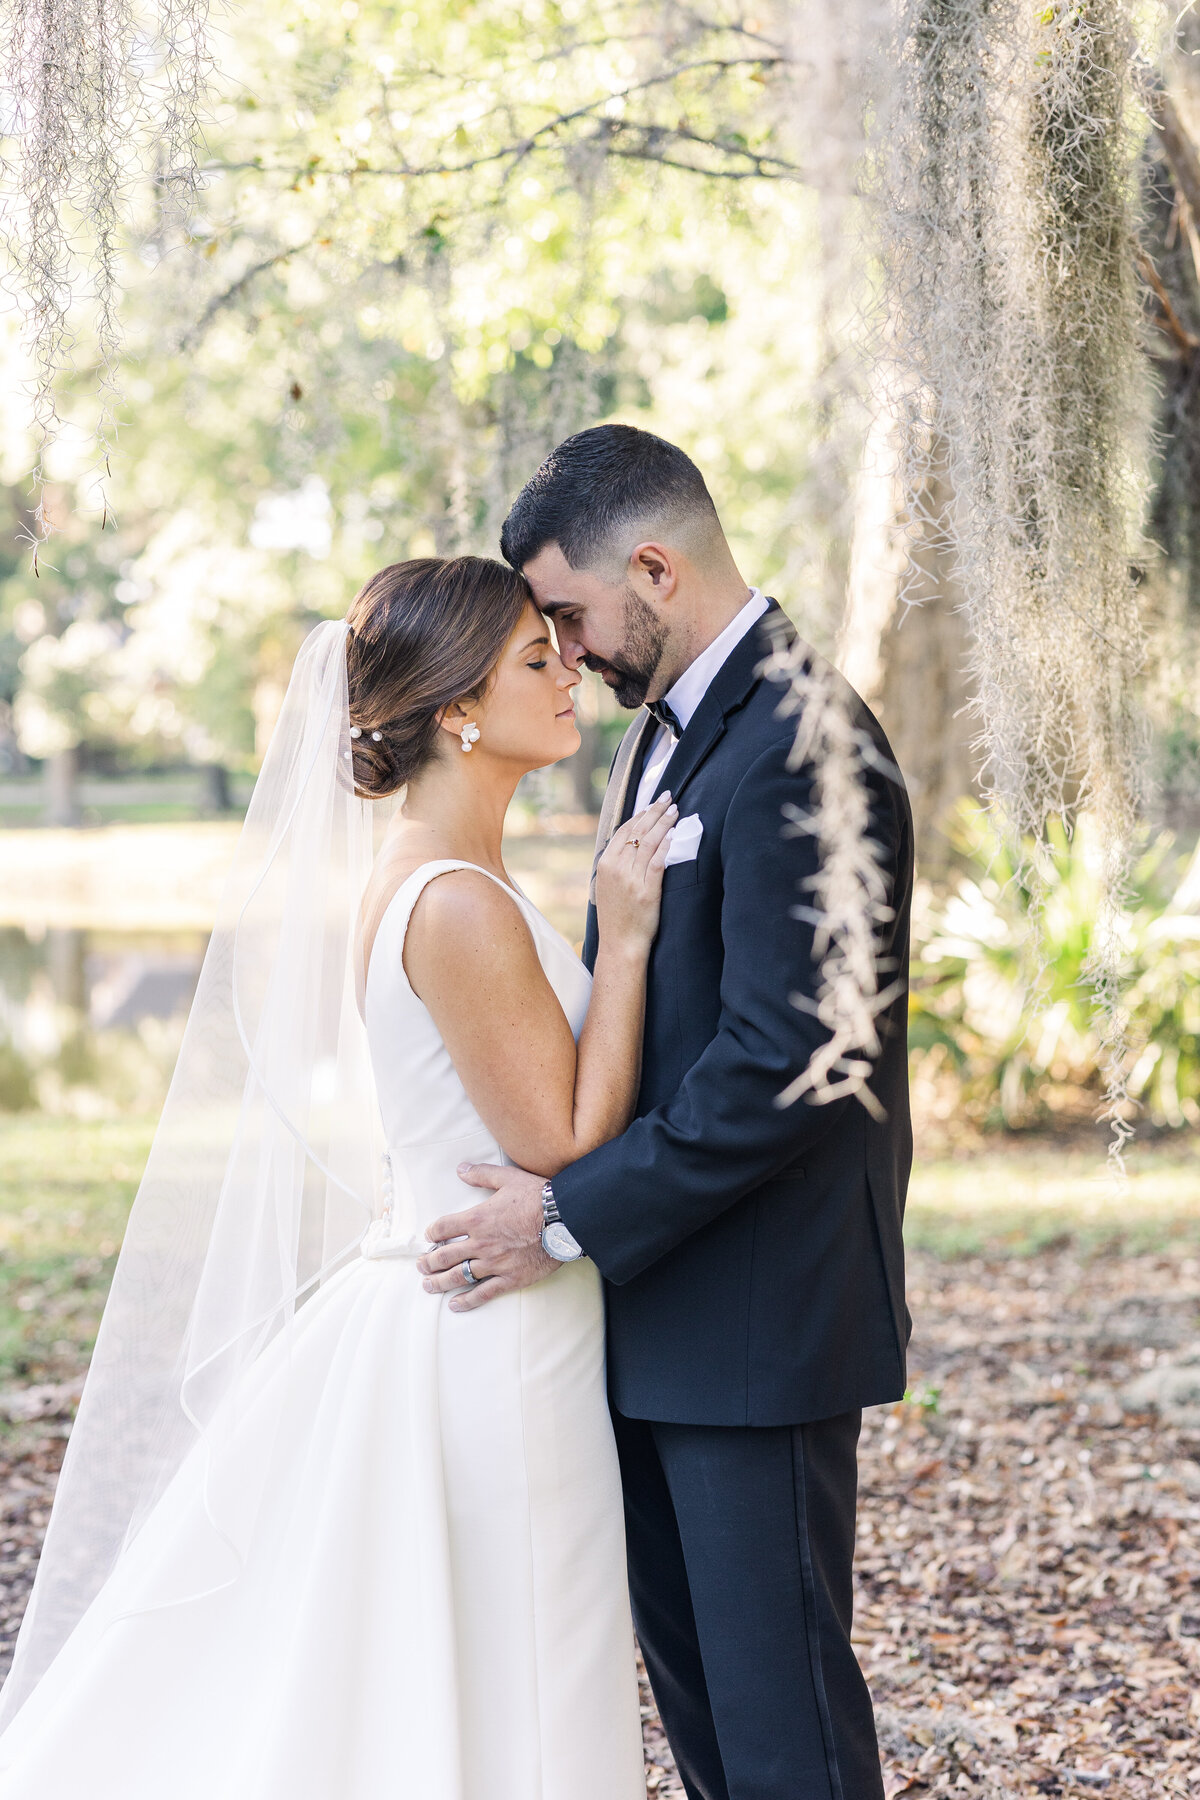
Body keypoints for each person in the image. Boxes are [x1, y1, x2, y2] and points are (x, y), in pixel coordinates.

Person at [0, 555, 671, 1799]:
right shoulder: (455, 900)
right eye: (538, 657)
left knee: (497, 1658)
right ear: (459, 708)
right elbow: (565, 1148)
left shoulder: (439, 872)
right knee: (529, 1652)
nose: (570, 668)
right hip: (500, 1334)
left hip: (480, 1306)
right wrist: (622, 941)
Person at [419, 425, 915, 1800]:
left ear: (654, 566)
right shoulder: (664, 744)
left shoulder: (809, 743)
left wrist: (568, 1215)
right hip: (659, 1317)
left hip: (757, 1327)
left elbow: (794, 1060)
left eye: (568, 616)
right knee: (712, 1736)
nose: (566, 652)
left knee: (785, 1737)